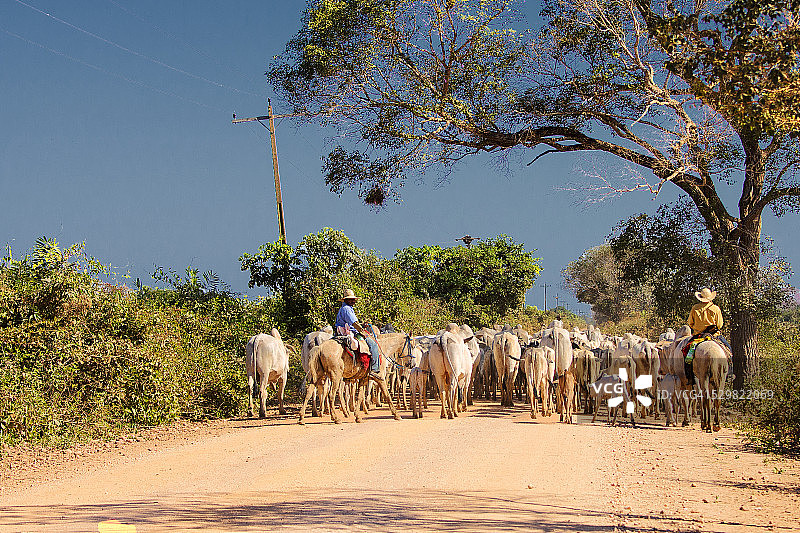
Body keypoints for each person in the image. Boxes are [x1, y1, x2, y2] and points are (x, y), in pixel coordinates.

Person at [683, 287, 727, 384]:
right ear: (710, 297)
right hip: (714, 335)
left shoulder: (695, 308)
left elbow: (690, 323)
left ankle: (689, 376)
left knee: (686, 353)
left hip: (699, 336)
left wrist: (698, 327)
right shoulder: (716, 308)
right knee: (728, 350)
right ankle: (729, 373)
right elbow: (720, 325)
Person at [334, 289, 381, 376]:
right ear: (346, 300)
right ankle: (374, 369)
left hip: (344, 330)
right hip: (350, 332)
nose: (353, 301)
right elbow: (354, 324)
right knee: (373, 344)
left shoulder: (345, 308)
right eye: (351, 299)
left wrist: (362, 325)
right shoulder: (347, 309)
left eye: (353, 299)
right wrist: (363, 332)